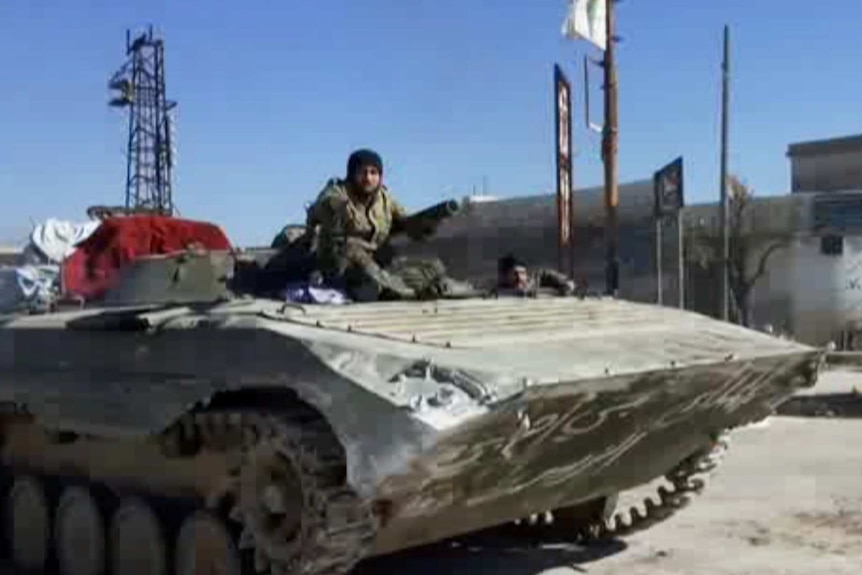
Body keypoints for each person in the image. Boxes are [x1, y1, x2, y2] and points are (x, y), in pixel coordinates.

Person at [304, 149, 431, 301]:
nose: (368, 178)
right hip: (340, 265)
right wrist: (335, 207)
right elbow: (322, 206)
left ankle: (393, 286)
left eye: (373, 172)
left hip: (374, 262)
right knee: (353, 251)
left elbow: (406, 221)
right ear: (352, 174)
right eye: (363, 172)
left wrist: (422, 225)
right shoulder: (337, 193)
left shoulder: (385, 199)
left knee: (431, 268)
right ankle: (391, 288)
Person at [495, 254, 576, 297]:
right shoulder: (499, 289)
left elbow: (569, 285)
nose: (519, 277)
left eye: (522, 273)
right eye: (515, 274)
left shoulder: (537, 278)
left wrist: (548, 292)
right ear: (505, 276)